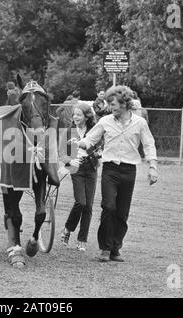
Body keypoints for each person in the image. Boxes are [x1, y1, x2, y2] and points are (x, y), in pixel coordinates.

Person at [72, 85, 158, 262]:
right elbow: (91, 139)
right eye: (109, 104)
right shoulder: (105, 121)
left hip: (129, 170)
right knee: (108, 206)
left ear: (125, 103)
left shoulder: (139, 123)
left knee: (122, 212)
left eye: (113, 104)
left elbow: (149, 144)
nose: (110, 108)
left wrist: (152, 166)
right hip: (110, 169)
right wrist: (79, 143)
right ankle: (105, 248)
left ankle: (115, 248)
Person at [59, 103, 101, 252]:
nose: (75, 117)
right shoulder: (69, 132)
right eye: (74, 114)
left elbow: (98, 150)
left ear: (86, 117)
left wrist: (96, 153)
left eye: (79, 114)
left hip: (91, 168)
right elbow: (61, 153)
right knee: (81, 202)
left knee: (88, 206)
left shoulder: (94, 131)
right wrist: (70, 161)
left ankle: (82, 239)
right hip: (76, 168)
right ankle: (67, 230)